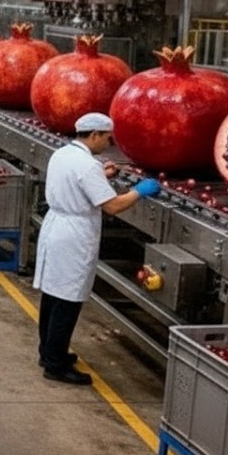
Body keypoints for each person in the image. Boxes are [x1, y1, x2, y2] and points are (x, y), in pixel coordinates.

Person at [34, 112, 161, 385]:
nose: (108, 142)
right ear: (93, 135)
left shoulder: (64, 154)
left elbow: (76, 180)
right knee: (68, 301)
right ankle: (55, 366)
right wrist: (140, 191)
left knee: (53, 296)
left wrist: (102, 175)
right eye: (106, 137)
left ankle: (48, 352)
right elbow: (113, 206)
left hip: (57, 227)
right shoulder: (87, 165)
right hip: (74, 236)